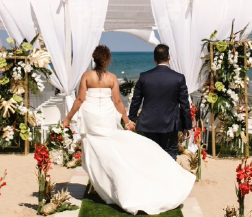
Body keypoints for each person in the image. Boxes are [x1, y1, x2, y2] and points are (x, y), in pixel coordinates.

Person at [62, 45, 194, 215]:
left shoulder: (88, 76)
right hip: (114, 118)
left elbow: (81, 98)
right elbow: (117, 102)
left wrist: (68, 117)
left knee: (95, 150)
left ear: (94, 59)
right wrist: (127, 121)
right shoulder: (112, 78)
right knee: (117, 150)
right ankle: (165, 183)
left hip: (92, 117)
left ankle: (98, 185)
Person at [128, 44, 193, 160]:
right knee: (169, 154)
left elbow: (136, 100)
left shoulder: (144, 77)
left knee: (150, 154)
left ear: (154, 58)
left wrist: (131, 120)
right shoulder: (178, 78)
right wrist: (187, 125)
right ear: (169, 57)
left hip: (148, 124)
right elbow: (184, 104)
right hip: (170, 124)